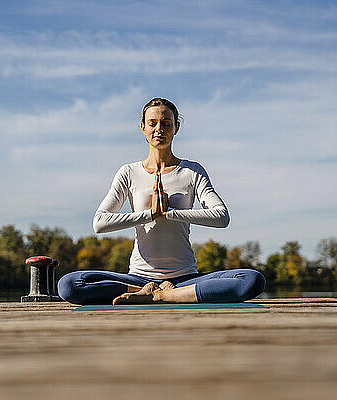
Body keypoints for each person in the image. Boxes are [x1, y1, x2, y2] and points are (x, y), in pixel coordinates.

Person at [57, 98, 265, 305]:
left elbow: (221, 217)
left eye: (166, 123)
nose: (159, 129)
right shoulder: (128, 172)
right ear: (143, 128)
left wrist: (169, 213)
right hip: (138, 278)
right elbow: (100, 223)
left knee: (251, 280)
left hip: (185, 279)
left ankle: (163, 295)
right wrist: (150, 214)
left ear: (176, 127)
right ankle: (147, 291)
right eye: (152, 123)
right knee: (70, 284)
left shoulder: (192, 171)